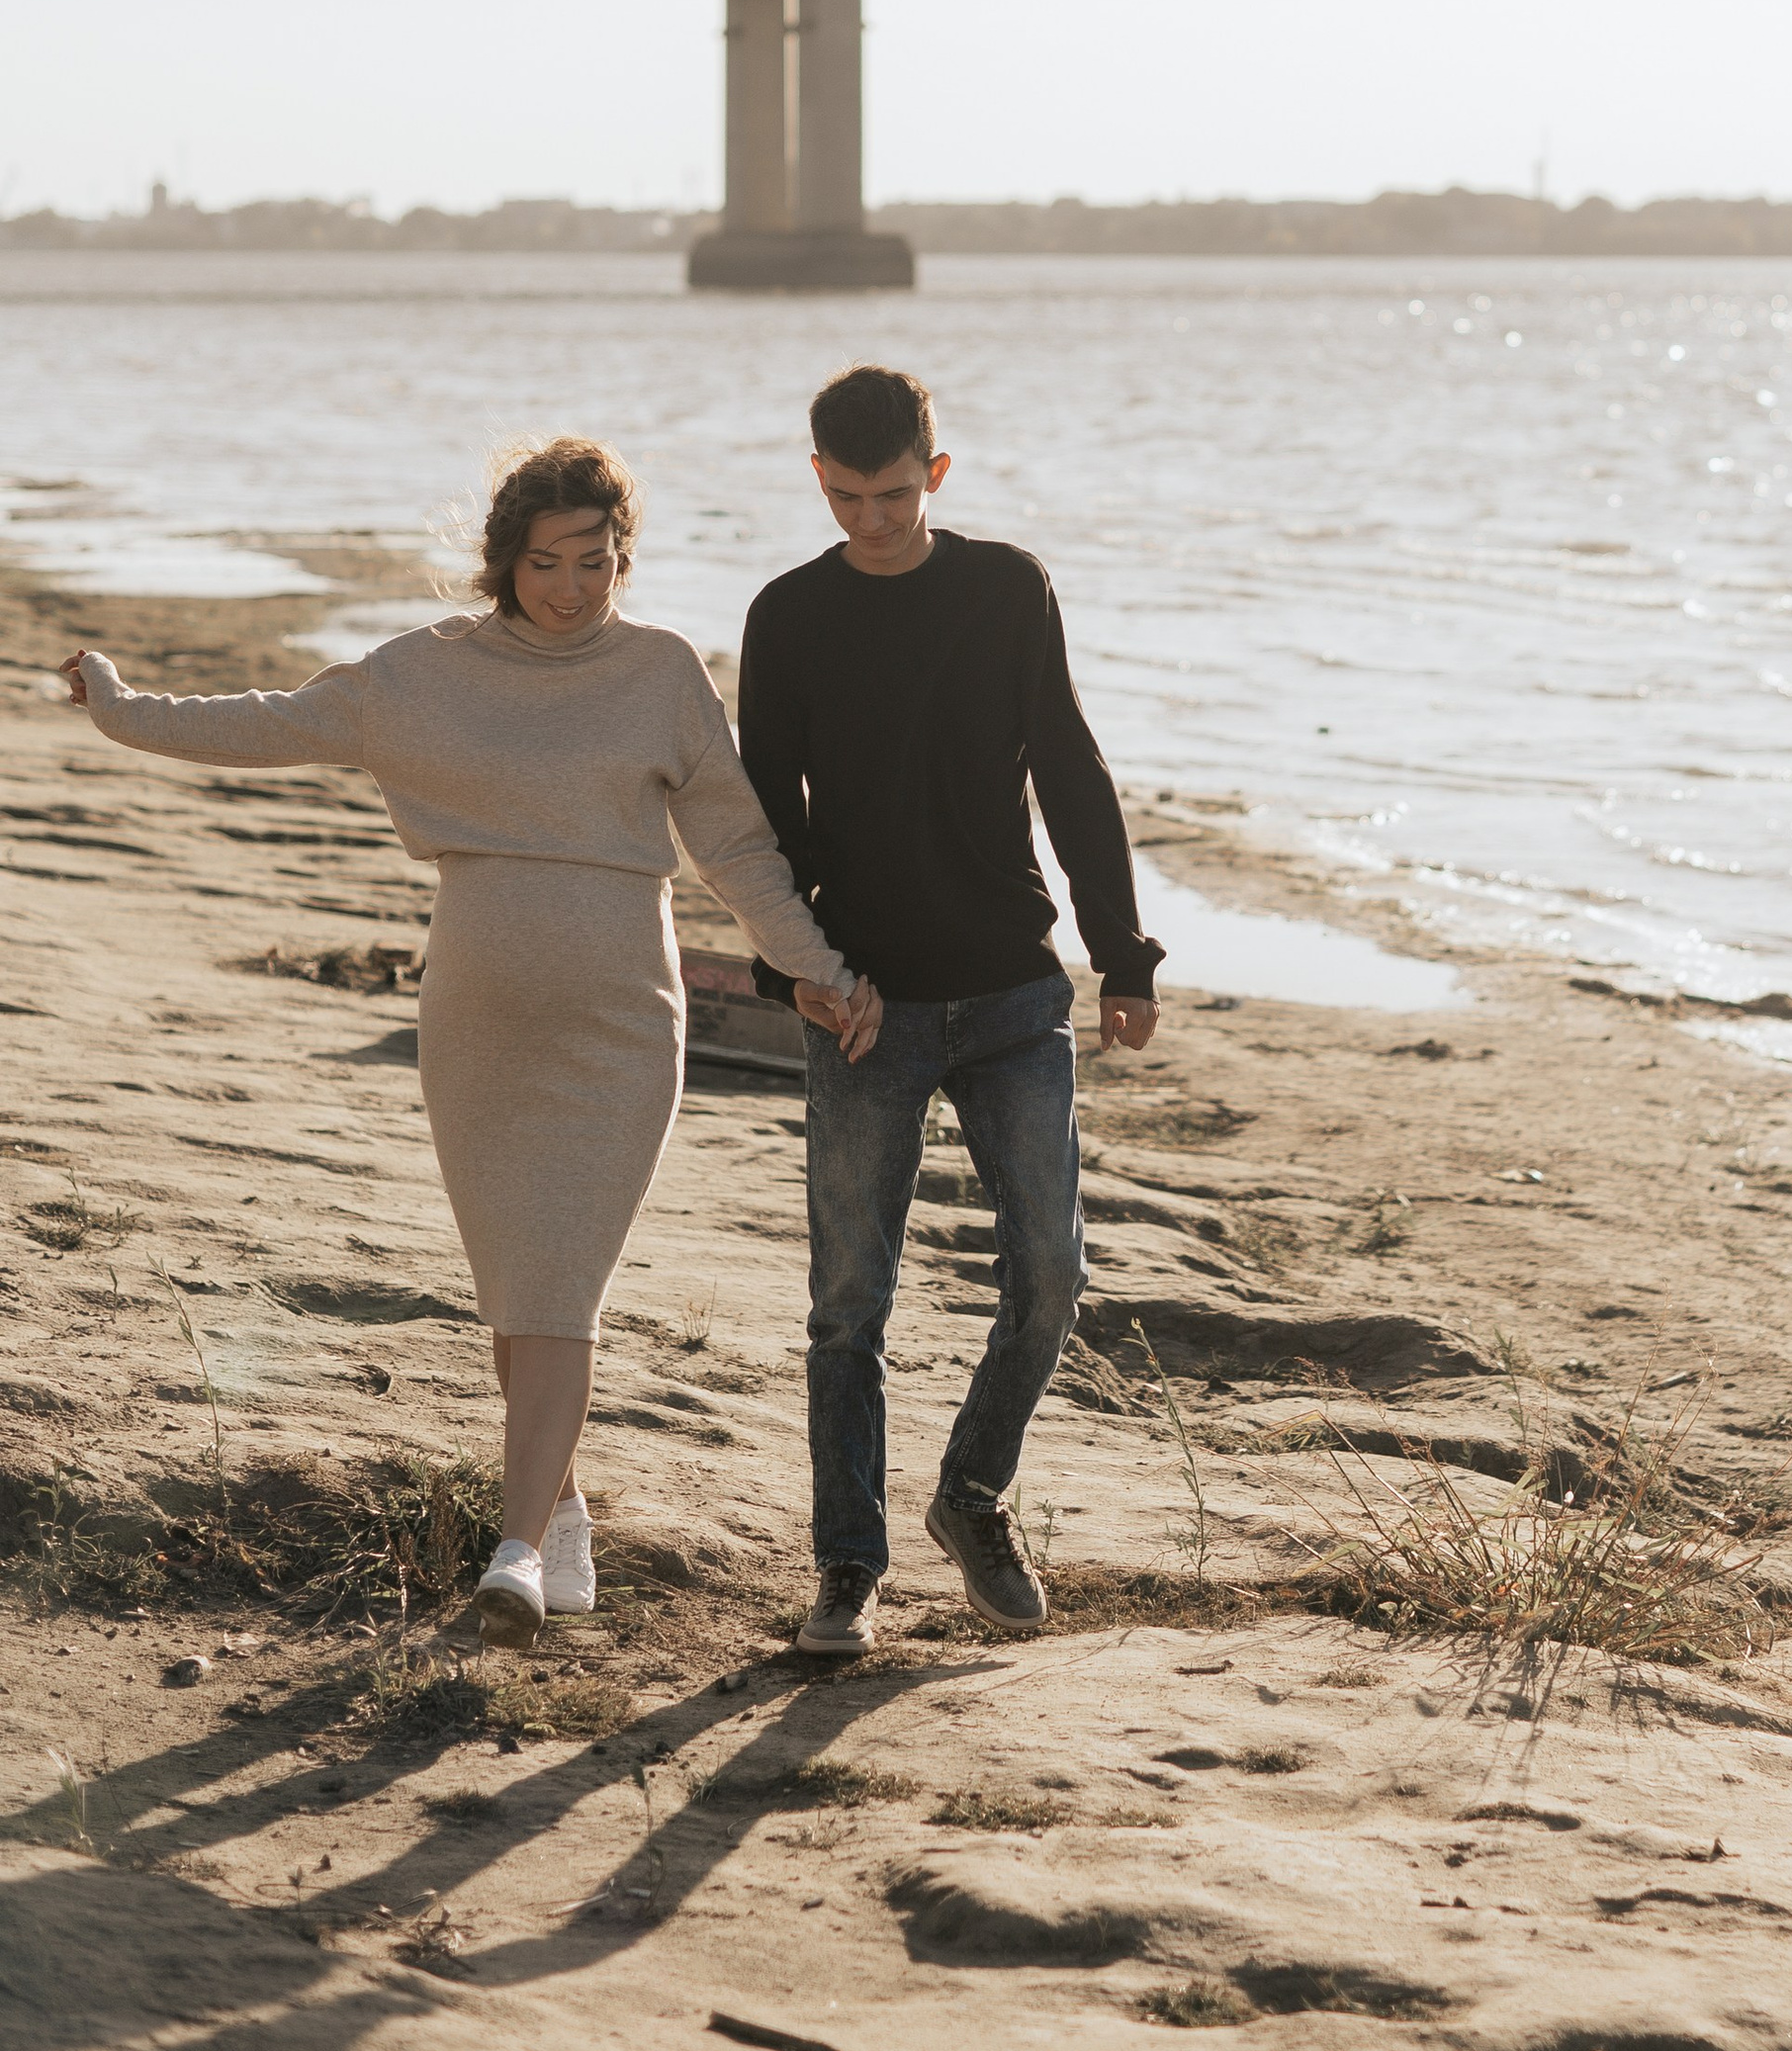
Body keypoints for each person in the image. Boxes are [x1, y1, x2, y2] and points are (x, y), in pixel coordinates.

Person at [56, 435, 878, 1650]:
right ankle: (565, 1515)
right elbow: (277, 719)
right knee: (518, 1294)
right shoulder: (425, 673)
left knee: (560, 1286)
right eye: (547, 561)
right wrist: (125, 708)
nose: (572, 584)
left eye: (595, 560)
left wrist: (816, 968)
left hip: (620, 1020)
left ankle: (514, 1552)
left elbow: (736, 848)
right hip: (479, 1017)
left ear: (623, 555)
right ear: (504, 561)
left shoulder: (662, 672)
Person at [739, 362, 1162, 1655]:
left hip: (1011, 991)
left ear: (939, 470)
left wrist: (1121, 953)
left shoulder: (1004, 590)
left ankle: (972, 1499)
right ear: (819, 480)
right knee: (848, 1304)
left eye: (897, 491)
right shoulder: (790, 616)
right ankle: (846, 1570)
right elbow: (763, 827)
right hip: (866, 1008)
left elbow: (1074, 769)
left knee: (1050, 1274)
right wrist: (795, 975)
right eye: (850, 496)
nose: (875, 518)